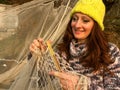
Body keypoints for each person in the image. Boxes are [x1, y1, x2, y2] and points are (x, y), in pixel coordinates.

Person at [29, 0, 120, 89]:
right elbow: (40, 80)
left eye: (85, 20)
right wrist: (37, 56)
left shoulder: (110, 51)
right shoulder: (62, 50)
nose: (77, 25)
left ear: (95, 25)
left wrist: (83, 85)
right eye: (74, 19)